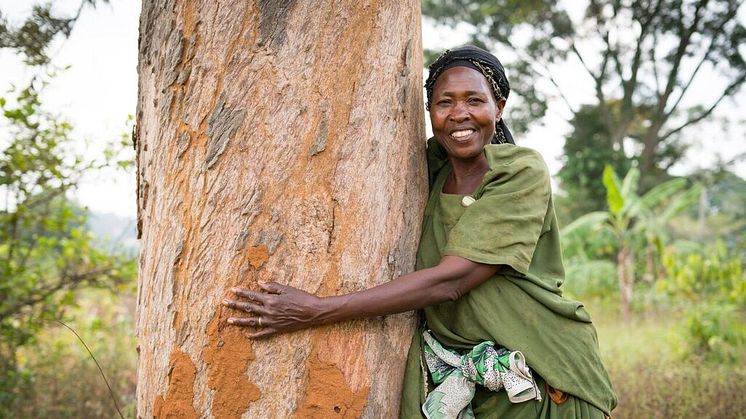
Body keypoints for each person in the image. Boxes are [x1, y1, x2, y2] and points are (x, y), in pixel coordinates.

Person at [222, 45, 617, 418]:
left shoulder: (519, 171)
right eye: (445, 102)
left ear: (498, 107)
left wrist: (317, 310)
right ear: (429, 111)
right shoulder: (427, 167)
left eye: (474, 100)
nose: (459, 113)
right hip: (455, 375)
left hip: (541, 372)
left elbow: (453, 280)